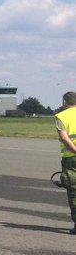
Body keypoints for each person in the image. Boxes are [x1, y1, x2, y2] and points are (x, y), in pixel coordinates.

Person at [53, 91, 76, 234]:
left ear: (64, 102)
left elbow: (64, 138)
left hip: (71, 158)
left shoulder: (61, 116)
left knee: (74, 191)